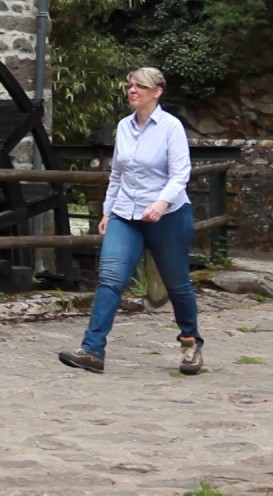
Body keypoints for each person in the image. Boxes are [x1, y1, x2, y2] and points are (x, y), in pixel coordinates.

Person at [58, 67, 203, 375]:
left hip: (168, 217)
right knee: (110, 279)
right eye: (130, 86)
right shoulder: (124, 126)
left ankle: (190, 343)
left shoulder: (170, 127)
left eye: (140, 86)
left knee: (177, 285)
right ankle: (92, 350)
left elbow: (180, 174)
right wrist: (108, 211)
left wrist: (161, 203)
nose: (132, 91)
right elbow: (118, 174)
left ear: (157, 92)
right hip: (126, 214)